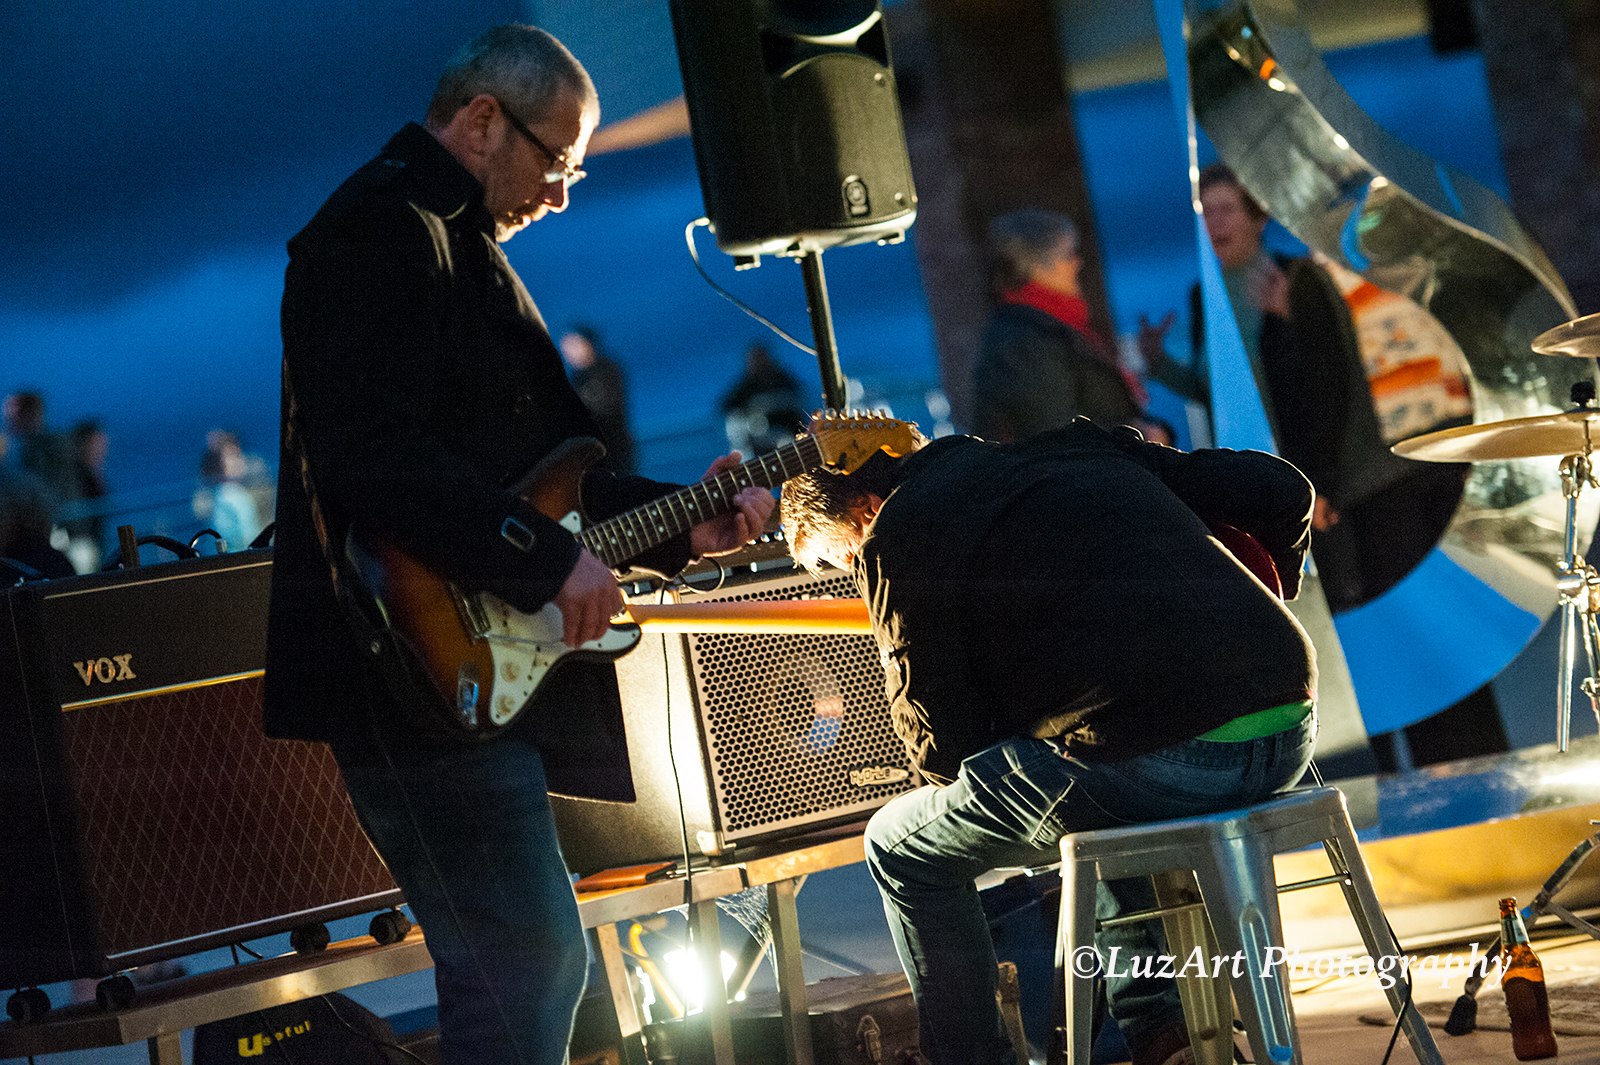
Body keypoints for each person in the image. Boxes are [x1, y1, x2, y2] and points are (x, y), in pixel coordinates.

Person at [263, 24, 774, 1065]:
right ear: (484, 119)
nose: (562, 192)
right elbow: (372, 455)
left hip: (457, 674)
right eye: (558, 160)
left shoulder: (455, 243)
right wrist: (543, 563)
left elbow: (546, 483)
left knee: (535, 965)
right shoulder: (377, 229)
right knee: (527, 962)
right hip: (406, 673)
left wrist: (686, 519)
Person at [781, 418, 1318, 1065]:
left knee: (899, 845)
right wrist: (1264, 593)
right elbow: (1281, 487)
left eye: (840, 558)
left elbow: (941, 752)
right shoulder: (1081, 445)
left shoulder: (897, 531)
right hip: (1287, 729)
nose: (851, 573)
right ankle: (1165, 1036)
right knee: (1088, 773)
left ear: (863, 510)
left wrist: (1003, 711)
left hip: (1167, 762)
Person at [971, 210, 1172, 445]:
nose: (1078, 263)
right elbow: (1053, 436)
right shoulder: (1023, 340)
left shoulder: (1052, 327)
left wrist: (1150, 430)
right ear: (1038, 265)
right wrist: (1136, 435)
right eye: (1069, 254)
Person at [558, 324, 636, 474]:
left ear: (588, 343)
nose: (568, 353)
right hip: (593, 454)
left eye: (573, 345)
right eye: (565, 349)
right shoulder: (576, 378)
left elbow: (603, 406)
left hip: (615, 450)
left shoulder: (608, 369)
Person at [718, 341, 808, 456]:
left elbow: (798, 403)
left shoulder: (784, 380)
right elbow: (725, 408)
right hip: (757, 439)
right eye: (755, 359)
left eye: (761, 358)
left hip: (786, 433)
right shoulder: (743, 387)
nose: (759, 363)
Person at [194, 430, 266, 551]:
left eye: (238, 456)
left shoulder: (227, 494)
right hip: (239, 554)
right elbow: (241, 535)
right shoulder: (229, 497)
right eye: (232, 458)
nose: (239, 461)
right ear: (220, 465)